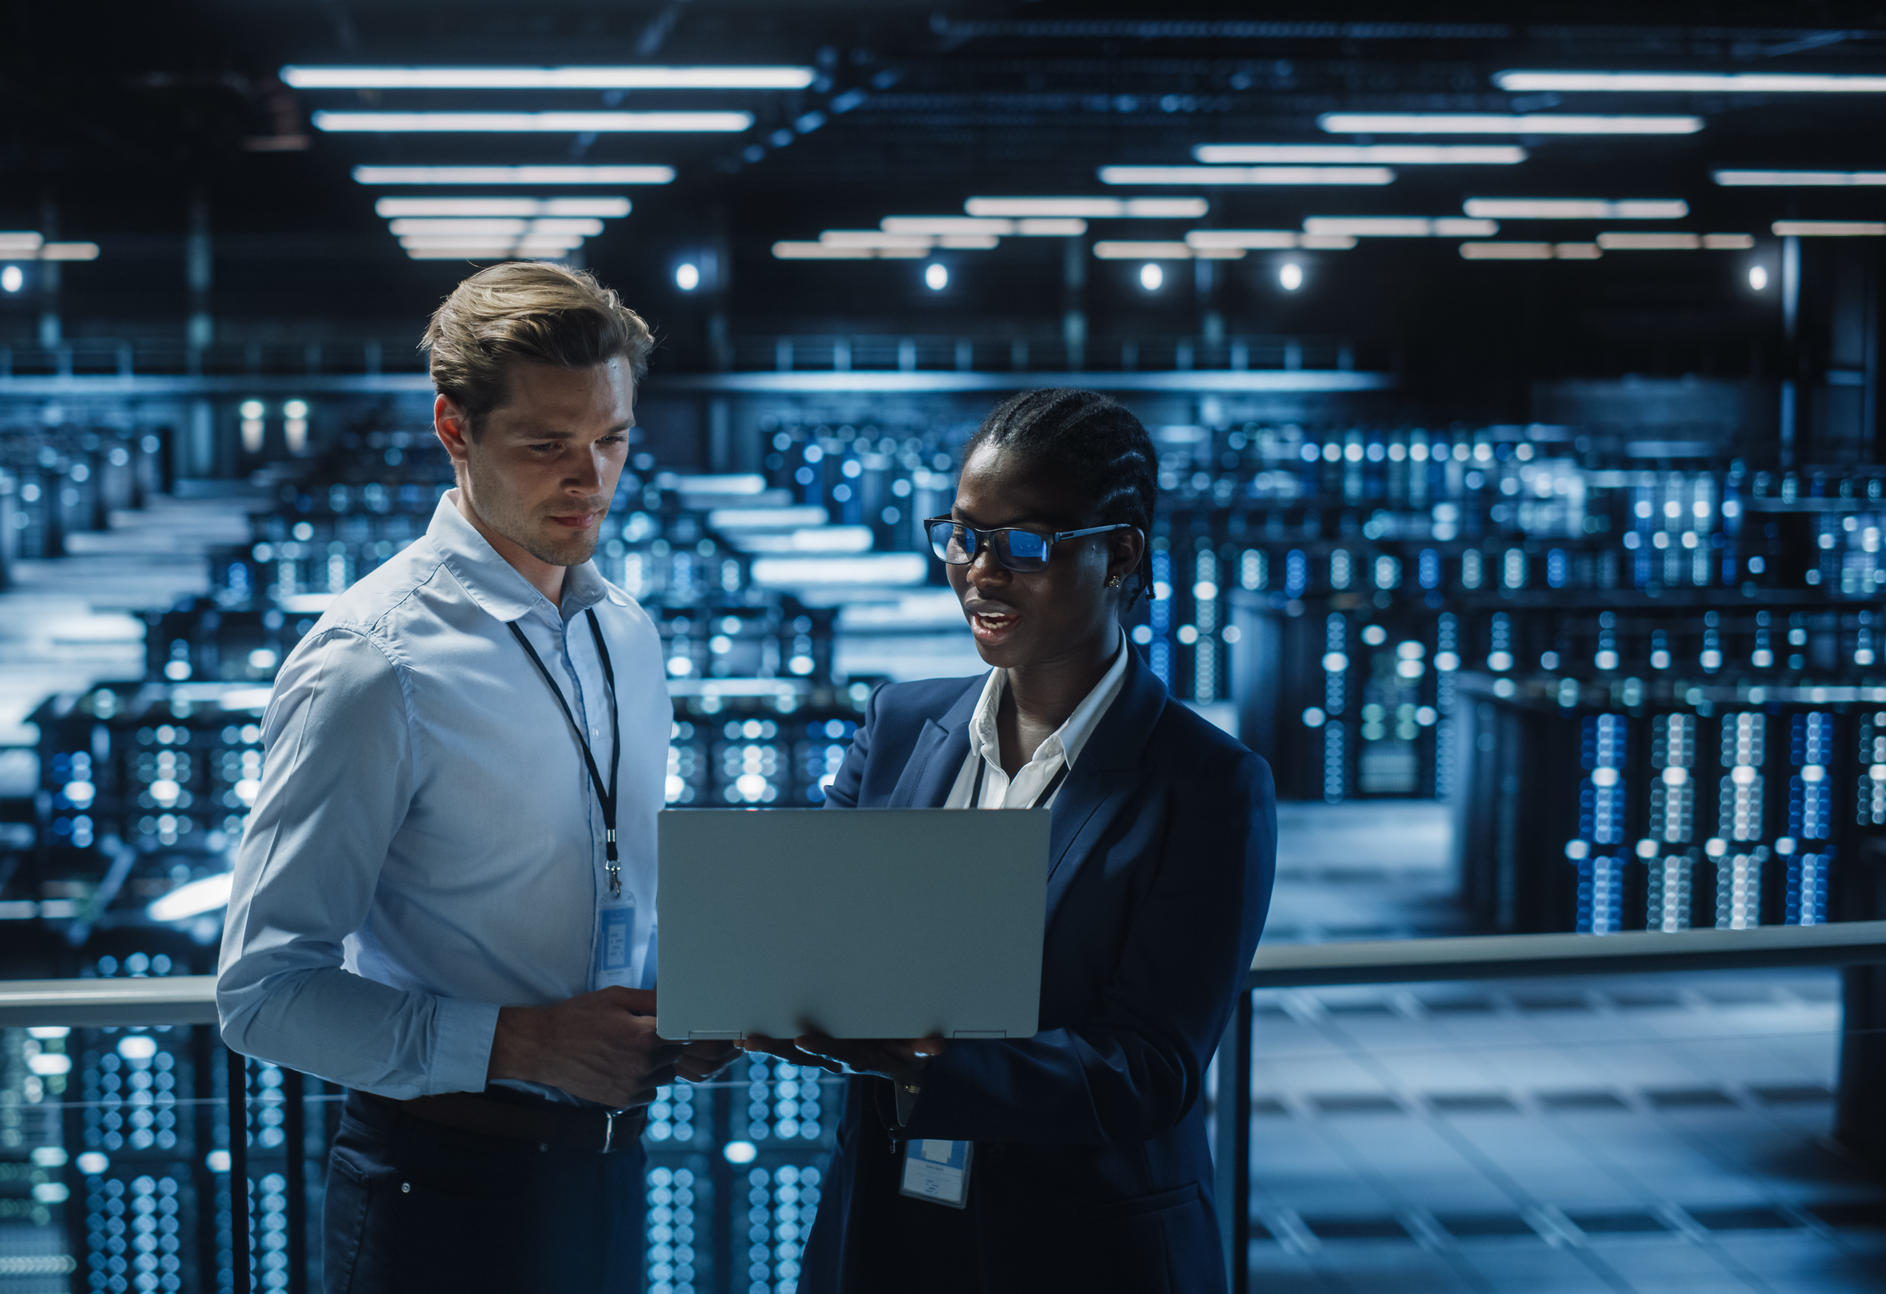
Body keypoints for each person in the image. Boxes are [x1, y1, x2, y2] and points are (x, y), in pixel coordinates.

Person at [214, 261, 733, 1293]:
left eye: (612, 438)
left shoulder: (627, 635)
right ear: (454, 430)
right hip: (438, 1192)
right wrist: (524, 1046)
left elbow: (610, 879)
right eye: (547, 445)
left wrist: (683, 1002)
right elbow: (263, 994)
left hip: (608, 1169)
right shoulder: (373, 663)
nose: (590, 478)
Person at [761, 388, 1277, 1293]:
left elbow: (1146, 1069)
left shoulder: (1205, 785)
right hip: (886, 1233)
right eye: (962, 536)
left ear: (1120, 554)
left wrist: (918, 1055)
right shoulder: (896, 726)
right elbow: (821, 941)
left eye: (1023, 544)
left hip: (1086, 1251)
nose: (979, 572)